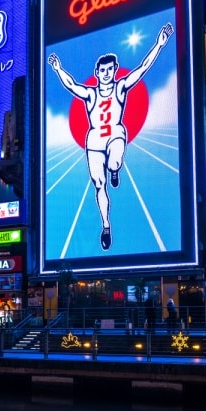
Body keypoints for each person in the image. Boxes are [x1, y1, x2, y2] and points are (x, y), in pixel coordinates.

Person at [47, 22, 174, 251]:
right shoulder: (90, 93)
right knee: (99, 184)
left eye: (110, 70)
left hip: (115, 132)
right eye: (102, 71)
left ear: (114, 70)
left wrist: (159, 44)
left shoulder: (121, 87)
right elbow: (71, 85)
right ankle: (106, 226)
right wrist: (58, 69)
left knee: (114, 161)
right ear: (97, 73)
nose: (106, 74)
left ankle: (115, 169)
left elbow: (142, 68)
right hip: (94, 140)